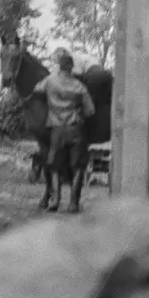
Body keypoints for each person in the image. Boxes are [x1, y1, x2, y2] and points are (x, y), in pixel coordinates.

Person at [30, 48, 95, 211]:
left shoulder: (50, 81)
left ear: (59, 66)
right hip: (76, 129)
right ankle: (73, 203)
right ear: (71, 68)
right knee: (78, 166)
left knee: (54, 166)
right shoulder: (79, 86)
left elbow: (36, 90)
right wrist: (79, 111)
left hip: (57, 129)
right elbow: (90, 111)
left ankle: (55, 200)